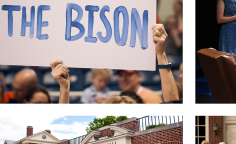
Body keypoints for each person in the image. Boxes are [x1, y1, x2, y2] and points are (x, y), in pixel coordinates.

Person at [51, 24, 180, 104]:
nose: (123, 78)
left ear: (139, 76)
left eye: (128, 74)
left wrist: (161, 55)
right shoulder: (117, 99)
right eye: (121, 75)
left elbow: (173, 104)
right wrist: (64, 87)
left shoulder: (150, 98)